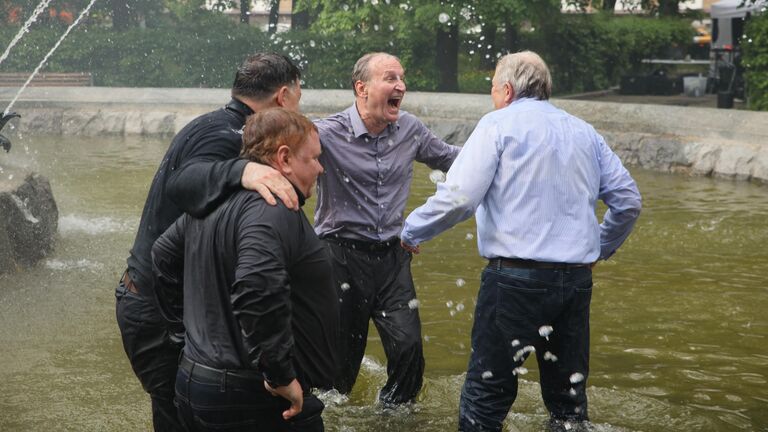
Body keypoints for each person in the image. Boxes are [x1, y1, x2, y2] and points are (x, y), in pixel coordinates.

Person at [400, 51, 642, 431]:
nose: (492, 97)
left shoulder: (497, 124)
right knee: (568, 401)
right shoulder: (584, 131)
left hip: (513, 281)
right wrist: (599, 248)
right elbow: (628, 201)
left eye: (493, 89)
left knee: (486, 395)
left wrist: (411, 230)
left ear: (507, 90)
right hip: (575, 283)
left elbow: (461, 197)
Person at [115, 52, 301, 431]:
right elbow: (184, 184)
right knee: (180, 416)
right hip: (156, 310)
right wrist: (244, 170)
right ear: (283, 97)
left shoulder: (225, 126)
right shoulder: (222, 135)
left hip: (160, 302)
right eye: (300, 96)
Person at [152, 108, 337, 431]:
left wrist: (184, 335)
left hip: (197, 381)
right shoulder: (273, 210)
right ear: (284, 158)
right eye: (314, 158)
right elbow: (257, 285)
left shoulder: (211, 203)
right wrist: (279, 374)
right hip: (256, 398)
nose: (321, 168)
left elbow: (163, 256)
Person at [313, 52, 461, 405]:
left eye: (402, 79)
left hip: (393, 258)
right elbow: (278, 154)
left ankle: (393, 419)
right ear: (362, 88)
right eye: (391, 78)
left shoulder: (410, 129)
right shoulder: (326, 133)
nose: (401, 86)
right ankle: (334, 419)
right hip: (339, 257)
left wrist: (505, 152)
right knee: (341, 365)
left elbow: (457, 161)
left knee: (409, 348)